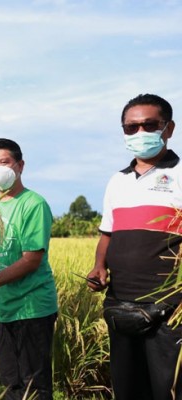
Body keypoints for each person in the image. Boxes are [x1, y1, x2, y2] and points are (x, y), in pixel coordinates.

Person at [87, 93, 182, 400]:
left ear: (168, 129)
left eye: (149, 125)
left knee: (168, 389)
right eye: (131, 127)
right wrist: (99, 266)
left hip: (169, 308)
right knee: (128, 388)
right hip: (120, 304)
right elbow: (107, 233)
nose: (140, 133)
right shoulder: (117, 181)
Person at [0, 138, 58, 400]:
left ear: (20, 165)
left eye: (3, 162)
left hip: (31, 307)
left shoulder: (33, 204)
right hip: (2, 309)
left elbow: (31, 259)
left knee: (34, 384)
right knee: (11, 382)